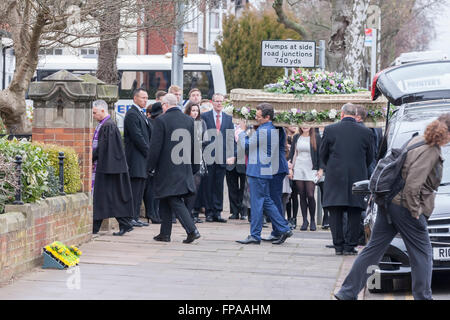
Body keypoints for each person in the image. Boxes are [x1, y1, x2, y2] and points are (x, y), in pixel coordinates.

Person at [335, 113, 450, 300]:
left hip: (388, 202)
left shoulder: (417, 140)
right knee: (423, 254)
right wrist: (415, 213)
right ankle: (423, 297)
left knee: (373, 249)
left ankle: (347, 292)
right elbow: (413, 184)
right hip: (404, 207)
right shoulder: (431, 150)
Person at [319, 103, 374, 255]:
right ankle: (350, 246)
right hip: (357, 177)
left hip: (335, 176)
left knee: (335, 211)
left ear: (341, 114)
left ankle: (338, 246)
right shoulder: (366, 132)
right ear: (355, 114)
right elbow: (370, 157)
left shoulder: (330, 130)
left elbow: (322, 154)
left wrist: (330, 166)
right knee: (355, 212)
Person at [235, 103, 293, 245]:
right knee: (265, 200)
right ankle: (281, 229)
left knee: (258, 202)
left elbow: (247, 145)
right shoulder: (269, 128)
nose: (256, 118)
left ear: (267, 117)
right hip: (263, 169)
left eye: (259, 116)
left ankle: (259, 234)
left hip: (258, 169)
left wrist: (241, 132)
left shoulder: (264, 130)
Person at [148, 93, 201, 243]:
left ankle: (192, 230)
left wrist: (150, 167)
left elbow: (155, 147)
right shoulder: (189, 120)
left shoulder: (161, 120)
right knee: (166, 197)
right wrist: (194, 167)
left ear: (165, 105)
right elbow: (194, 145)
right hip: (184, 166)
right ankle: (165, 233)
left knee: (174, 198)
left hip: (166, 168)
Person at [91, 100, 134, 236]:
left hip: (109, 169)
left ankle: (124, 224)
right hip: (110, 167)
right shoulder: (106, 125)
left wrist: (91, 157)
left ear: (103, 111)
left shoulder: (107, 126)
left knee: (106, 197)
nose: (93, 115)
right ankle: (122, 224)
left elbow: (102, 148)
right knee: (107, 197)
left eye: (95, 112)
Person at [201, 93, 235, 223]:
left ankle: (218, 211)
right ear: (212, 102)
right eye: (216, 101)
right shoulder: (205, 116)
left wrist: (231, 155)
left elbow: (230, 138)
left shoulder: (228, 118)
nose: (219, 103)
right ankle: (209, 212)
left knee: (219, 185)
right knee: (208, 185)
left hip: (222, 156)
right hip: (208, 155)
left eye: (221, 101)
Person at [123, 88, 150, 228]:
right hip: (135, 159)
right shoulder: (132, 114)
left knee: (140, 189)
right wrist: (149, 152)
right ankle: (130, 217)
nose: (145, 100)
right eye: (142, 98)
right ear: (135, 98)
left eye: (146, 98)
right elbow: (137, 137)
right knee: (134, 189)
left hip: (142, 159)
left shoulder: (141, 114)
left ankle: (135, 217)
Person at [289, 127, 322, 231]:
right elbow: (293, 153)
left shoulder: (316, 137)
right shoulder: (297, 137)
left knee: (310, 194)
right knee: (302, 195)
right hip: (299, 167)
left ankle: (312, 219)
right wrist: (291, 168)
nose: (304, 126)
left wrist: (321, 169)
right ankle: (304, 221)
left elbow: (321, 154)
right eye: (302, 124)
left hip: (311, 168)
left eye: (307, 124)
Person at [184, 102, 207, 224]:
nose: (195, 113)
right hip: (184, 158)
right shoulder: (184, 122)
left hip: (198, 157)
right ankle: (183, 213)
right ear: (188, 111)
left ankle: (190, 213)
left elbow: (206, 139)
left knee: (195, 186)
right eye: (193, 110)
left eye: (196, 111)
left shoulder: (202, 123)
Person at [143, 103, 163, 224]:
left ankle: (154, 212)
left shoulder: (156, 122)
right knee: (151, 188)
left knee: (155, 188)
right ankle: (151, 212)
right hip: (153, 159)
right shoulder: (152, 123)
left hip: (157, 159)